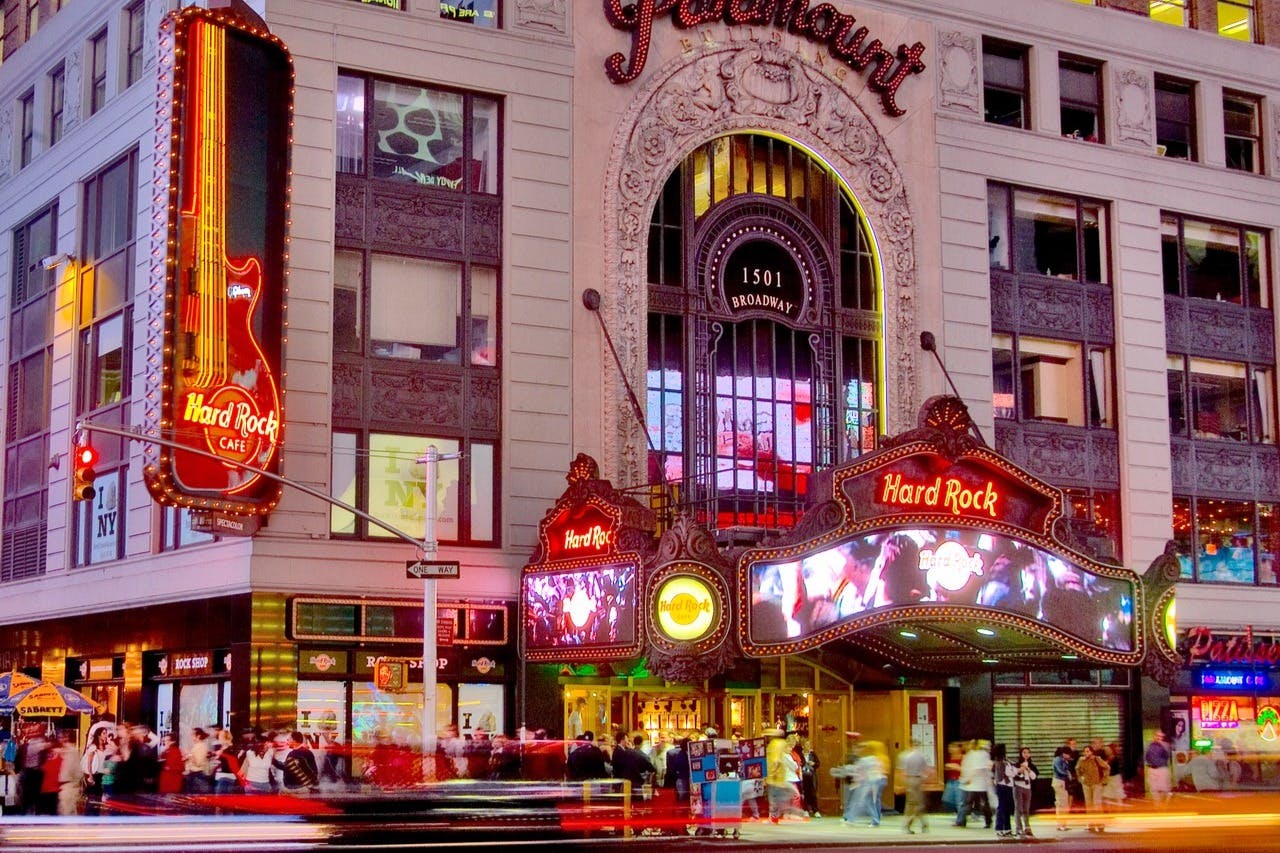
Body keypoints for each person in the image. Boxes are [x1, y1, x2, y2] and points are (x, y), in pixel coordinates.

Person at [764, 729, 807, 822]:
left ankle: (791, 813)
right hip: (779, 777)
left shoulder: (775, 745)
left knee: (777, 799)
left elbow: (776, 760)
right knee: (781, 798)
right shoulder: (779, 744)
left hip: (776, 777)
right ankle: (784, 814)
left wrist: (772, 771)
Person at [955, 739, 992, 828]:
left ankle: (962, 821)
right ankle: (988, 821)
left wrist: (968, 779)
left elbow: (977, 769)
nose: (968, 746)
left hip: (975, 784)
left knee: (969, 803)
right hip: (979, 784)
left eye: (971, 744)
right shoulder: (978, 754)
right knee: (981, 803)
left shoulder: (978, 755)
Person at [896, 739, 931, 834]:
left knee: (911, 804)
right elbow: (927, 770)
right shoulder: (922, 755)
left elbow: (902, 772)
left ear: (909, 744)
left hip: (909, 780)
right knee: (918, 804)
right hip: (918, 779)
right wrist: (923, 780)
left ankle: (912, 824)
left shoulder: (904, 756)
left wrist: (902, 784)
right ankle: (920, 824)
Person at [1076, 743, 1109, 832]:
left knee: (1097, 804)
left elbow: (1106, 767)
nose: (1086, 753)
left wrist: (1104, 780)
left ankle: (1100, 824)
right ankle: (1091, 824)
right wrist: (1080, 780)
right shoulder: (1081, 760)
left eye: (1088, 751)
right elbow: (1077, 770)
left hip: (1097, 784)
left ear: (1091, 752)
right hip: (1086, 785)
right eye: (1085, 752)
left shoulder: (1097, 759)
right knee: (1089, 805)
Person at [1012, 746, 1038, 838]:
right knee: (1018, 809)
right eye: (1024, 752)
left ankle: (1027, 828)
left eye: (1028, 752)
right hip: (1018, 787)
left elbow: (1034, 777)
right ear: (1021, 754)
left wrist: (1028, 769)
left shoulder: (1031, 765)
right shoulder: (1016, 764)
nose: (1026, 754)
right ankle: (1019, 829)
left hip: (1027, 788)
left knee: (1026, 809)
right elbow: (1014, 774)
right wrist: (1021, 769)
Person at [991, 743, 1015, 838]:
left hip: (1007, 786)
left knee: (1006, 808)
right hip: (1003, 786)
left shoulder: (1005, 761)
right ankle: (999, 828)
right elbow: (1000, 776)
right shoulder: (1000, 762)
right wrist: (1011, 773)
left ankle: (1007, 829)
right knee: (1002, 807)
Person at [1144, 730, 1172, 807]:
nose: (1159, 738)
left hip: (1162, 769)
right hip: (1152, 769)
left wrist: (1162, 745)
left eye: (1161, 736)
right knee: (1153, 789)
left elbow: (1167, 755)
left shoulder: (1165, 745)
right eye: (1157, 736)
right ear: (1154, 736)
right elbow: (1146, 756)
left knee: (1163, 789)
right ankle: (1157, 806)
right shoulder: (1149, 745)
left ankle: (1165, 805)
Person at [184, 727, 212, 793]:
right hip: (192, 775)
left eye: (192, 734)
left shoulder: (201, 746)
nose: (191, 736)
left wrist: (189, 755)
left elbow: (198, 763)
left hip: (197, 776)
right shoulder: (196, 746)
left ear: (198, 736)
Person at [1051, 746, 1072, 830]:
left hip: (1062, 782)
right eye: (1069, 754)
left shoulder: (1063, 760)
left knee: (1064, 804)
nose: (1070, 756)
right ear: (1064, 754)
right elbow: (1060, 771)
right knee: (1061, 804)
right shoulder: (1058, 760)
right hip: (1058, 782)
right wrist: (1068, 773)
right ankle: (1060, 824)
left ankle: (1063, 824)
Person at [799, 736, 821, 817]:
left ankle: (816, 810)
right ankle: (805, 810)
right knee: (805, 793)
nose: (808, 747)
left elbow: (818, 763)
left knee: (813, 793)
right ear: (803, 746)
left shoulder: (812, 754)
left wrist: (814, 764)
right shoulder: (800, 754)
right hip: (804, 776)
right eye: (807, 745)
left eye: (809, 745)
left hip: (812, 776)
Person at [942, 741, 963, 814]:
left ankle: (961, 816)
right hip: (951, 780)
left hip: (959, 780)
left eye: (953, 747)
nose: (950, 749)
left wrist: (955, 767)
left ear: (958, 748)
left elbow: (964, 769)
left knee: (959, 799)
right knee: (947, 799)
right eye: (949, 747)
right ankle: (959, 812)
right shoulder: (949, 757)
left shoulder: (963, 757)